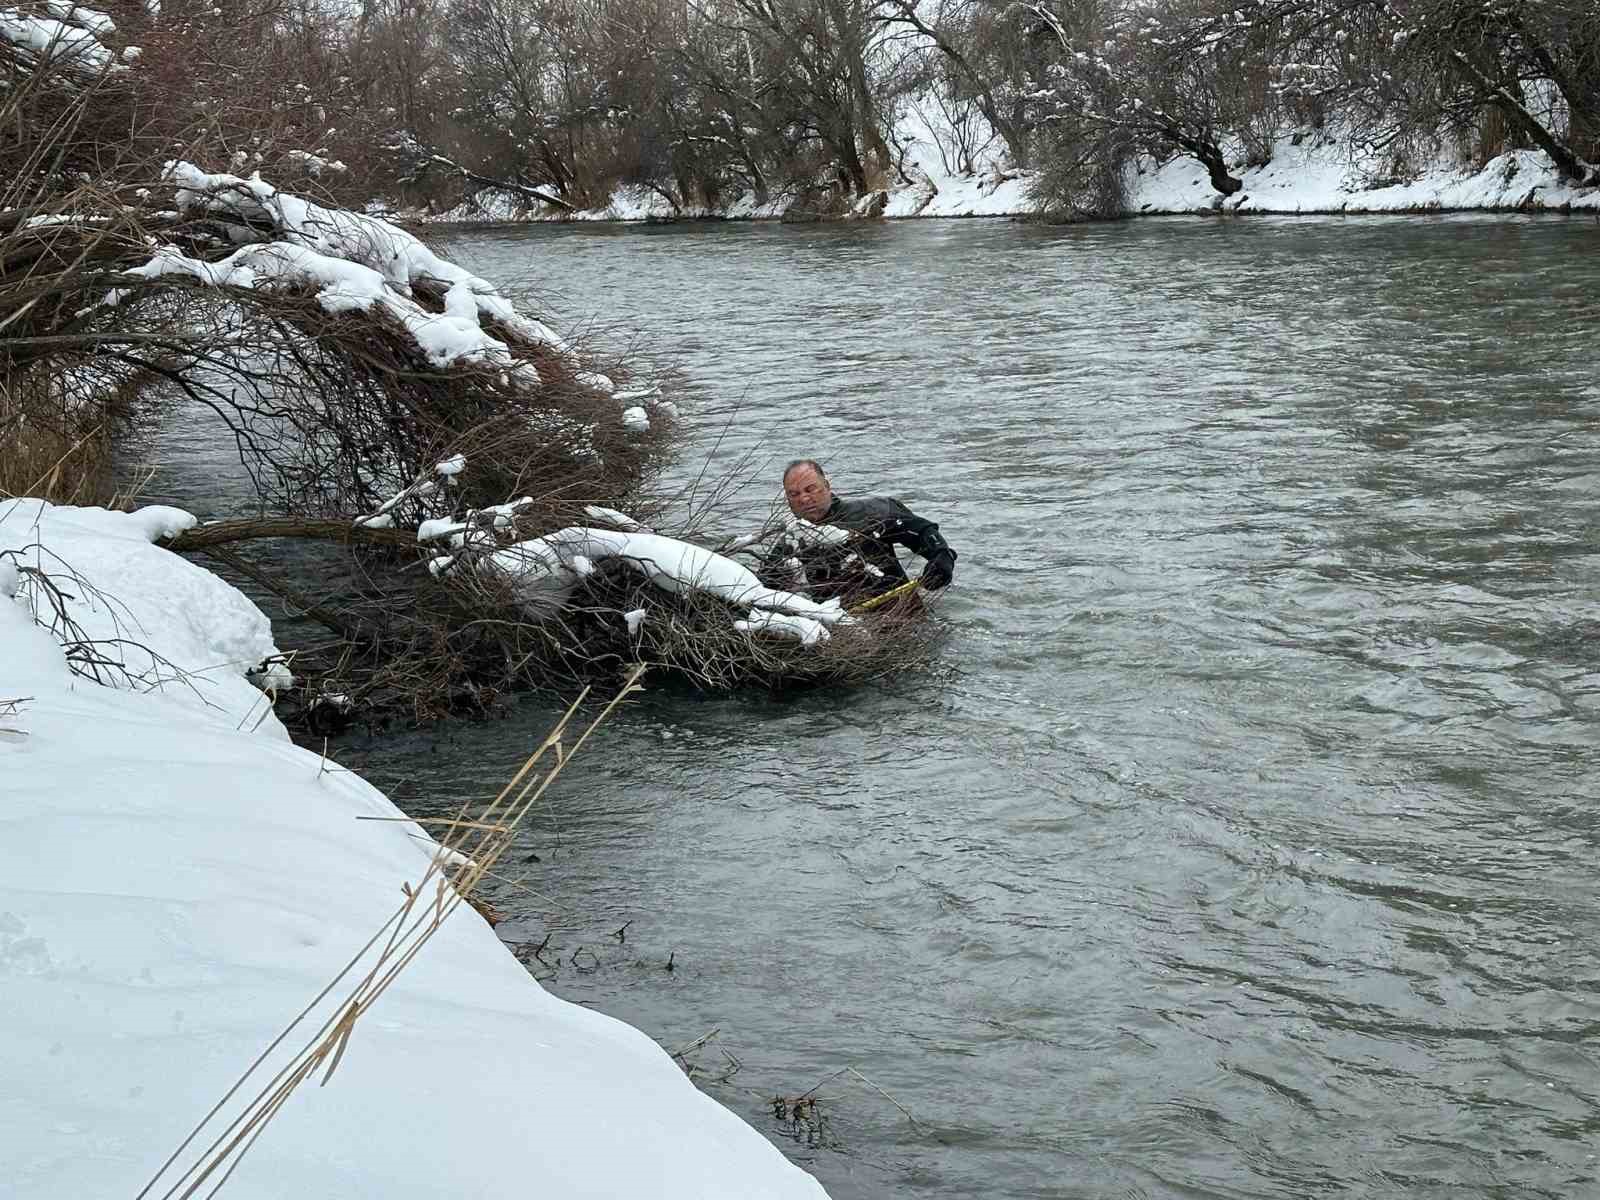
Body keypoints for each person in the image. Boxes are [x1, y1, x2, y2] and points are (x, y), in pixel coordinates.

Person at [764, 459, 956, 603]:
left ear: (827, 487)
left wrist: (941, 557)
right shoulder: (788, 545)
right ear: (787, 500)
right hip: (843, 632)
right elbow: (760, 591)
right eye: (794, 494)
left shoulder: (871, 513)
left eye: (810, 489)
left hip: (900, 615)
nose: (804, 499)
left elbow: (922, 532)